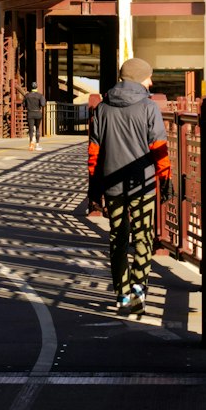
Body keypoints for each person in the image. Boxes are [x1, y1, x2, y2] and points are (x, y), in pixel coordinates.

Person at [87, 57, 172, 316]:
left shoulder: (102, 108)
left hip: (112, 184)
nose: (151, 81)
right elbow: (159, 147)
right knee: (143, 236)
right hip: (142, 184)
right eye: (148, 77)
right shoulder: (149, 107)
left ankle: (121, 294)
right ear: (139, 78)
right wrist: (165, 177)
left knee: (118, 238)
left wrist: (95, 185)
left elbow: (94, 152)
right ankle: (138, 289)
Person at [23, 81, 46, 151]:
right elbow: (43, 104)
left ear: (31, 87)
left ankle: (31, 144)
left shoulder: (27, 95)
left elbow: (24, 105)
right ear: (37, 87)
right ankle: (37, 145)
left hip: (30, 113)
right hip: (37, 113)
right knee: (38, 128)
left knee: (31, 129)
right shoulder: (40, 95)